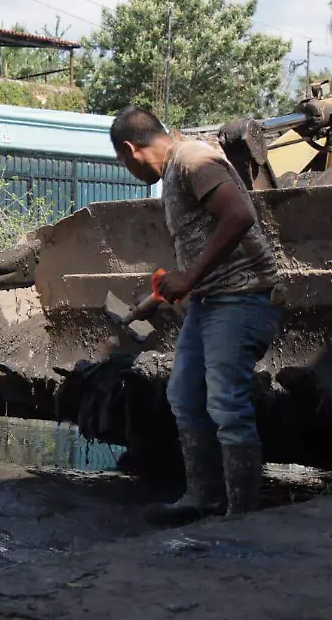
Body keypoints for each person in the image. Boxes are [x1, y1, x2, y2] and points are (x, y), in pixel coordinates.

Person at [109, 106, 283, 524]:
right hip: (210, 301)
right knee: (184, 397)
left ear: (131, 150)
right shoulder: (175, 172)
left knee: (226, 402)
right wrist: (173, 288)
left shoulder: (192, 159)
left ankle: (243, 515)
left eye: (122, 162)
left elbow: (240, 216)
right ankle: (202, 499)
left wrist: (189, 275)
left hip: (241, 297)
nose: (128, 170)